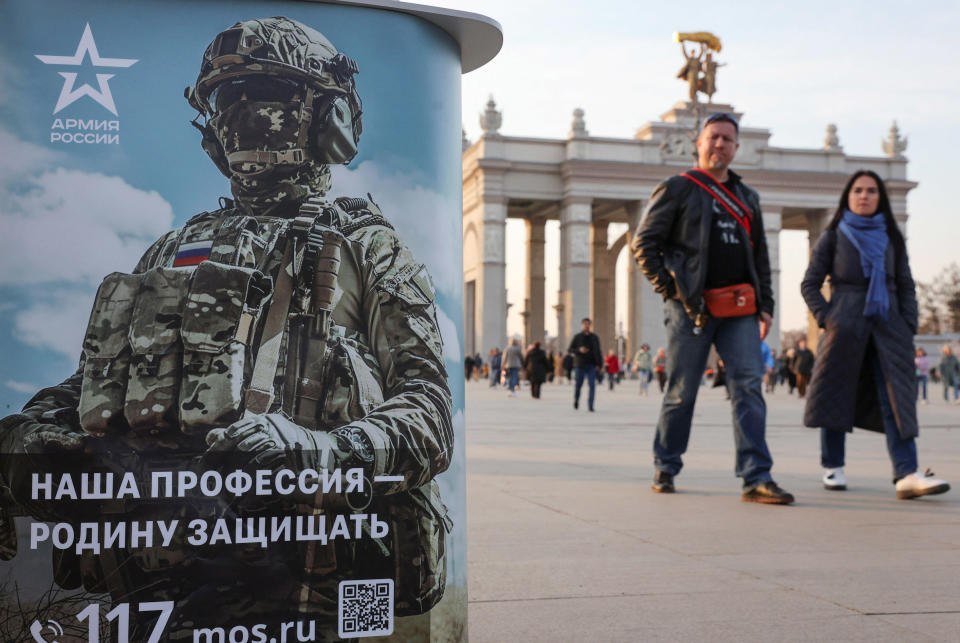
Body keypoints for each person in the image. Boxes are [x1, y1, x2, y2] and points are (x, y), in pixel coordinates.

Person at [0, 17, 454, 636]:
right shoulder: (173, 250)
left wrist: (315, 452)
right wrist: (26, 434)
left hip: (328, 588)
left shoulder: (367, 247)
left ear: (329, 120)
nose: (240, 114)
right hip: (178, 585)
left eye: (265, 94)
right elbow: (97, 385)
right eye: (225, 98)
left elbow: (429, 414)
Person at [631, 112, 793, 504]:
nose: (720, 144)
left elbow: (760, 258)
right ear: (698, 144)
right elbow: (644, 245)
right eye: (713, 137)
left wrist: (766, 304)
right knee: (682, 391)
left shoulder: (748, 197)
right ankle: (666, 465)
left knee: (750, 390)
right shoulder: (678, 189)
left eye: (727, 139)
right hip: (692, 310)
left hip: (740, 308)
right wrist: (672, 290)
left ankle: (756, 476)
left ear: (736, 148)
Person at [802, 169, 949, 499]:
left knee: (896, 398)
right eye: (858, 190)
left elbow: (907, 284)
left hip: (889, 327)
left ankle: (906, 473)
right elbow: (810, 283)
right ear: (848, 197)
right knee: (834, 394)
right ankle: (833, 466)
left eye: (871, 191)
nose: (864, 196)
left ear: (880, 198)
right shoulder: (833, 237)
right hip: (844, 325)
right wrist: (828, 317)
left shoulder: (891, 238)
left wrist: (908, 322)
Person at [568, 318, 602, 411]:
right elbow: (570, 350)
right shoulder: (577, 337)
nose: (586, 326)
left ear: (590, 325)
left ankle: (590, 405)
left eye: (588, 324)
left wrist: (599, 365)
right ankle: (576, 400)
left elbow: (598, 352)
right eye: (585, 324)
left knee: (592, 385)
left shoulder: (595, 337)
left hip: (591, 365)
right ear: (582, 325)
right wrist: (579, 350)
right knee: (578, 384)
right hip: (580, 364)